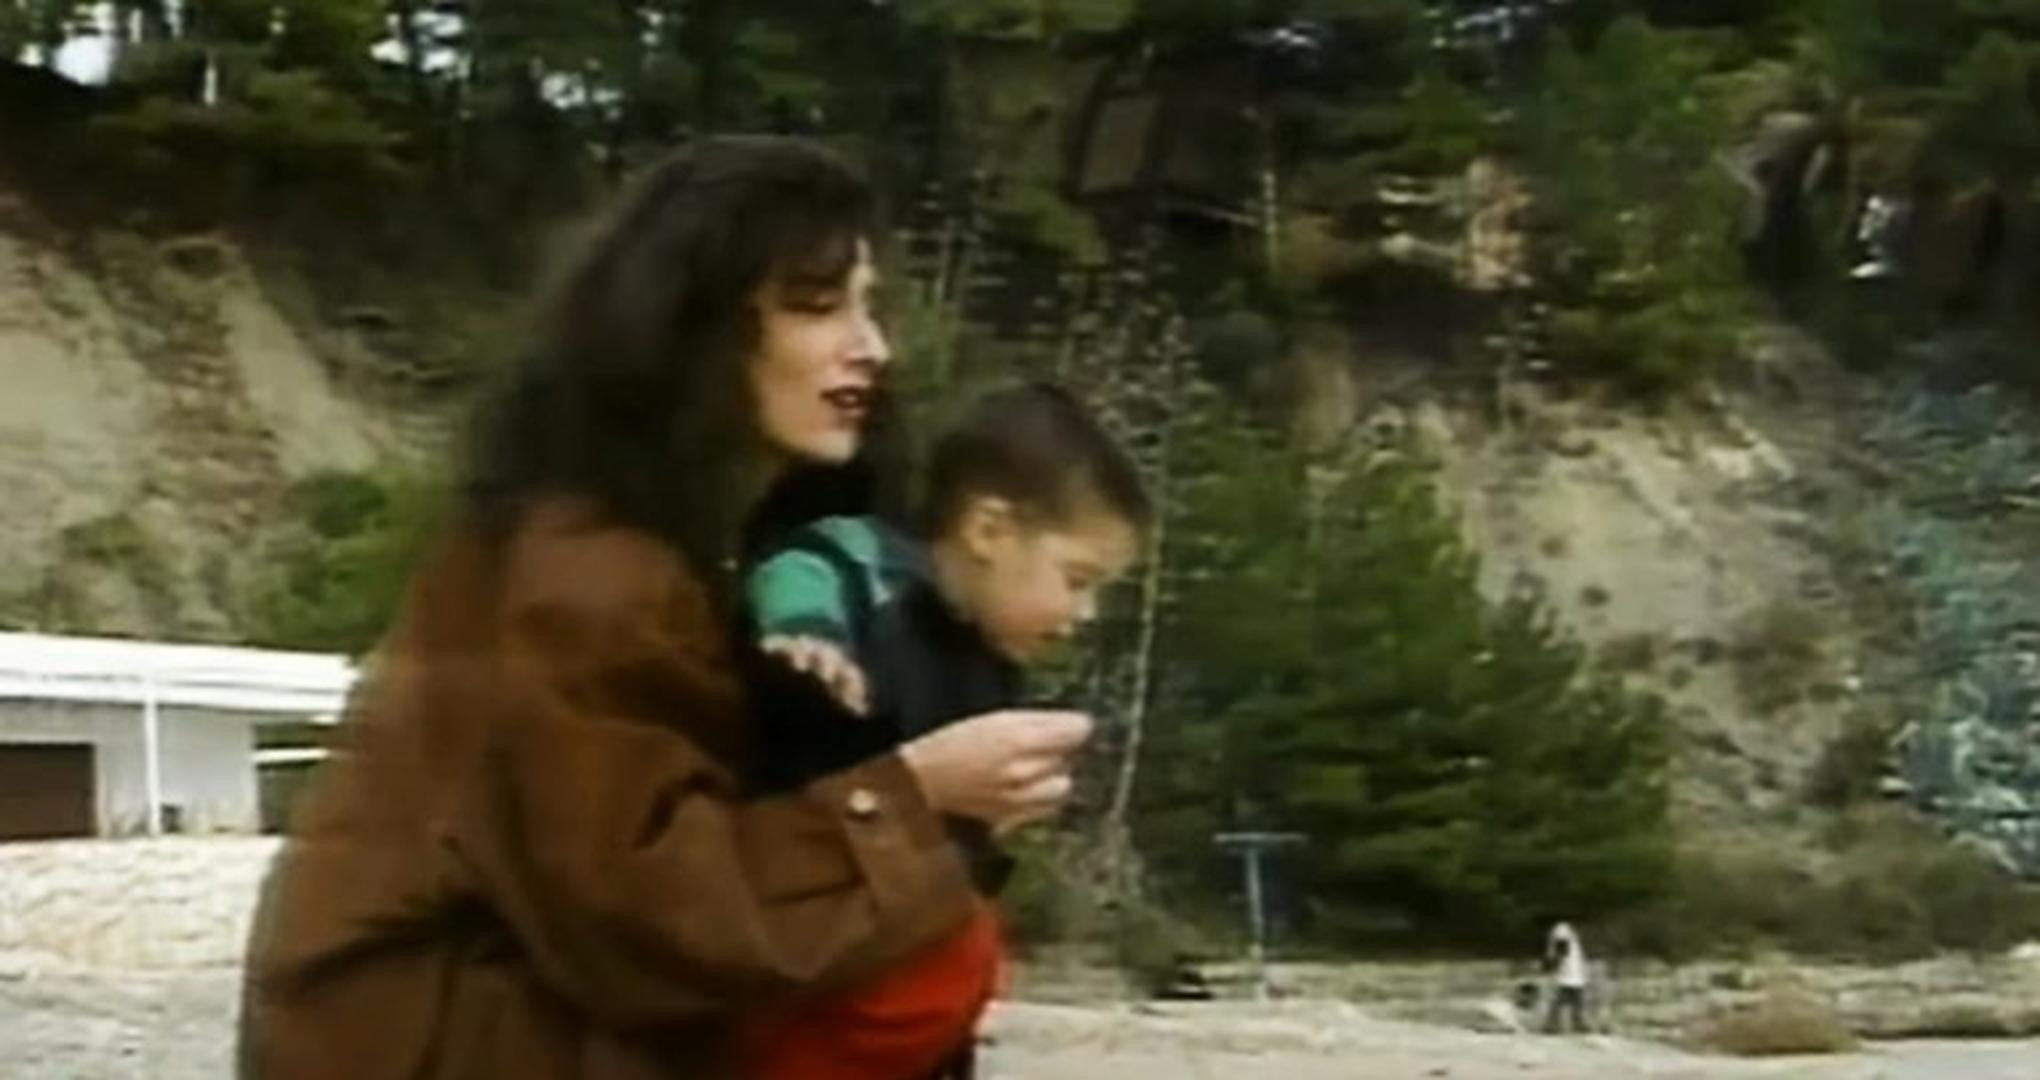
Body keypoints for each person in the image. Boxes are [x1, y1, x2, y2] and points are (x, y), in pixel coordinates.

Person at [238, 136, 1095, 1080]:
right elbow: (646, 919)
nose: (872, 347)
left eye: (868, 305)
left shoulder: (693, 543)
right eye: (818, 306)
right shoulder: (584, 575)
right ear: (695, 330)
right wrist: (915, 796)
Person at [734, 382, 1150, 1079]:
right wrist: (805, 633)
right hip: (806, 955)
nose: (1086, 613)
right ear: (989, 531)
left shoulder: (988, 662)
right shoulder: (873, 570)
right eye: (1077, 579)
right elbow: (800, 563)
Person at [1543, 920, 1591, 1034]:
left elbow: (1561, 953)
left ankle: (1577, 1023)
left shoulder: (1569, 933)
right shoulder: (1562, 930)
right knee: (1562, 999)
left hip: (1574, 973)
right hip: (1568, 974)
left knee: (1576, 1000)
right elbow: (1561, 950)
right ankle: (1551, 1024)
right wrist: (1555, 966)